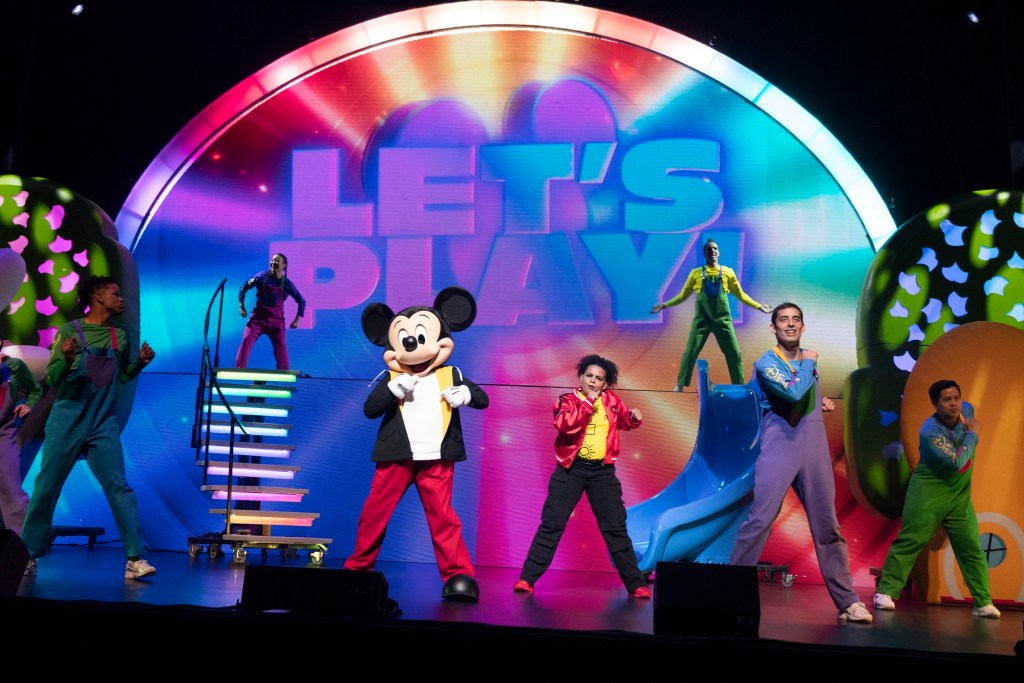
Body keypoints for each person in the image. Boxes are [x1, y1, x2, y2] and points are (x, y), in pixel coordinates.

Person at [729, 302, 872, 623]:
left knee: (828, 527)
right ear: (773, 328)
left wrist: (818, 399)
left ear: (803, 326)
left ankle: (848, 601)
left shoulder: (806, 361)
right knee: (759, 521)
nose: (790, 324)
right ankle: (730, 596)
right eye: (783, 320)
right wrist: (809, 363)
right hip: (781, 448)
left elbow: (802, 393)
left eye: (796, 319)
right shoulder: (768, 362)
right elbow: (792, 393)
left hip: (814, 450)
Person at [21, 275, 157, 580]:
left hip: (102, 423)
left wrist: (140, 363)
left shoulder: (119, 336)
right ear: (98, 297)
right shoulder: (70, 332)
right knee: (47, 487)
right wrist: (66, 358)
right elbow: (53, 380)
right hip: (67, 421)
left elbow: (122, 377)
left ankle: (135, 558)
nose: (121, 299)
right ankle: (27, 554)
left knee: (118, 486)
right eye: (115, 293)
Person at [513, 354, 650, 599]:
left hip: (602, 473)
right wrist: (588, 402)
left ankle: (636, 584)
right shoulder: (567, 400)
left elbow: (624, 421)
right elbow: (566, 425)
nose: (593, 381)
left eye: (599, 378)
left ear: (605, 384)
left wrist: (633, 418)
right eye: (589, 376)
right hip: (571, 471)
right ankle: (527, 578)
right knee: (552, 524)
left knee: (615, 528)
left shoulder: (611, 400)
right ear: (580, 377)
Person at [873, 380, 1000, 618]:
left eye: (956, 398)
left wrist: (968, 429)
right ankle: (886, 592)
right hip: (928, 492)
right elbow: (958, 462)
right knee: (911, 540)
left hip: (959, 495)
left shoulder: (967, 410)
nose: (954, 404)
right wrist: (973, 433)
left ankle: (983, 602)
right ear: (935, 404)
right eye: (946, 400)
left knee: (971, 547)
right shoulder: (930, 432)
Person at [650, 239, 771, 390]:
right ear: (704, 253)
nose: (712, 251)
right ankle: (680, 383)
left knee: (734, 353)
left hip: (723, 321)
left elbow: (741, 295)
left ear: (718, 253)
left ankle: (739, 385)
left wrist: (759, 306)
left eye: (715, 249)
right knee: (690, 352)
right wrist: (664, 305)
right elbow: (682, 296)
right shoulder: (695, 273)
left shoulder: (728, 272)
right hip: (702, 321)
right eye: (709, 249)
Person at [0, 342, 43, 536]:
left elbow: (35, 389)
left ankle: (22, 546)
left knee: (12, 491)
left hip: (3, 434)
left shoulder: (13, 366)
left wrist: (29, 404)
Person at [235, 253, 305, 370]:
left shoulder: (287, 284)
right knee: (246, 340)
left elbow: (301, 301)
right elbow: (244, 287)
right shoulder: (261, 277)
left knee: (281, 347)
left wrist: (296, 320)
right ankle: (239, 369)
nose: (273, 262)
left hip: (276, 323)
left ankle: (283, 373)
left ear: (284, 265)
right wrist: (241, 306)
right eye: (272, 260)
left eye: (277, 261)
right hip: (257, 320)